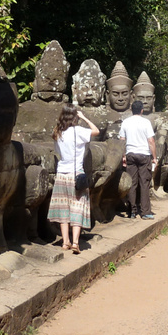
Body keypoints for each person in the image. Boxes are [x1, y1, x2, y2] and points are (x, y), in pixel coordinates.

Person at [48, 103, 100, 254]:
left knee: (64, 209)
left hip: (62, 175)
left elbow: (58, 152)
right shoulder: (79, 131)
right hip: (76, 175)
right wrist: (84, 118)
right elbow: (96, 131)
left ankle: (65, 242)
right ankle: (76, 242)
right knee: (77, 207)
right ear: (75, 116)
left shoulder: (57, 132)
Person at [120, 100, 157, 219]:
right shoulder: (146, 122)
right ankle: (145, 212)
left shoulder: (126, 122)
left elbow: (122, 140)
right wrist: (154, 157)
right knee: (144, 183)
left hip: (130, 154)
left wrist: (123, 155)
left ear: (131, 109)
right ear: (142, 110)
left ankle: (132, 210)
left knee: (132, 183)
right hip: (144, 154)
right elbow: (151, 141)